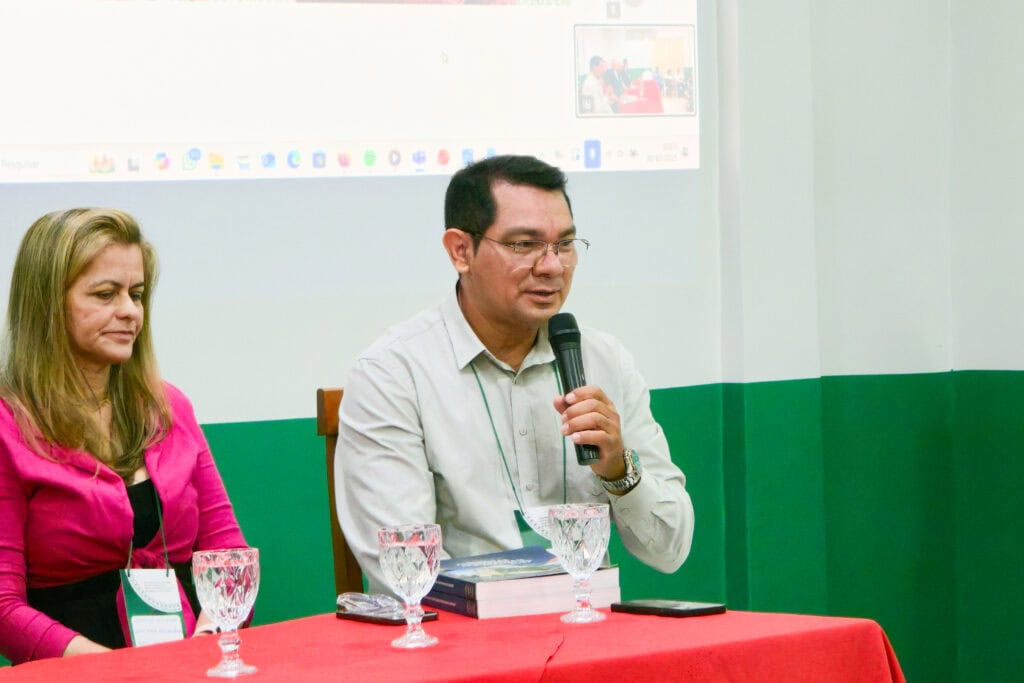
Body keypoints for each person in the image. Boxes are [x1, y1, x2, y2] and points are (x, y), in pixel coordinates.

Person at [336, 155, 694, 593]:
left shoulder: (604, 361)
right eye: (524, 245)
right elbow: (404, 569)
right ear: (460, 251)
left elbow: (670, 550)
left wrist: (619, 469)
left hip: (586, 630)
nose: (552, 267)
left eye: (564, 244)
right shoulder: (393, 374)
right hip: (461, 643)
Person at [0, 208, 248, 664]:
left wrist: (209, 641)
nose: (129, 311)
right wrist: (114, 670)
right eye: (105, 294)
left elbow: (229, 558)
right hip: (76, 669)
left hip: (193, 659)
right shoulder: (7, 423)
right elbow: (3, 606)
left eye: (136, 294)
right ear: (47, 304)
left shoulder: (171, 406)